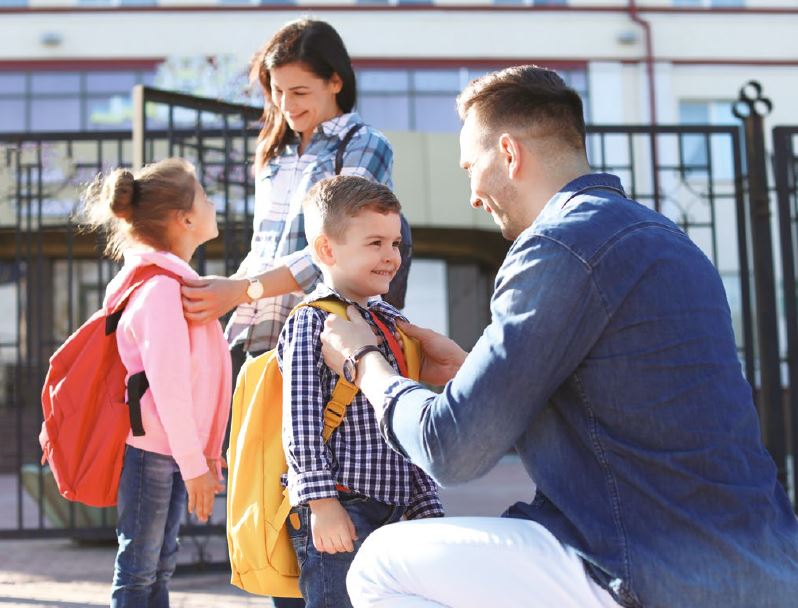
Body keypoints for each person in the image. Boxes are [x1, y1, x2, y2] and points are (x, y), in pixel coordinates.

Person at [318, 66, 798, 608]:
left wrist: (365, 361)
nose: (473, 195)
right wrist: (477, 369)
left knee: (381, 564)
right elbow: (627, 409)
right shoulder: (668, 239)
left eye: (471, 167)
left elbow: (451, 450)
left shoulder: (557, 245)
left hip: (642, 566)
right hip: (766, 569)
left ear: (509, 153)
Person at [277, 176, 443, 608]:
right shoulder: (310, 322)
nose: (391, 257)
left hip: (395, 508)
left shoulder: (392, 323)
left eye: (395, 244)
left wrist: (424, 501)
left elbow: (406, 412)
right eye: (375, 243)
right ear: (327, 249)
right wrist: (321, 502)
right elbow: (300, 420)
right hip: (342, 505)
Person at [79, 158, 230, 608]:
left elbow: (197, 379)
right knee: (140, 569)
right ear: (185, 219)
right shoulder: (161, 290)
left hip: (171, 451)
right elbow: (168, 385)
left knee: (159, 565)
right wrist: (194, 462)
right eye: (204, 195)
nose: (212, 202)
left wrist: (203, 454)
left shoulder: (172, 283)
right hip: (153, 453)